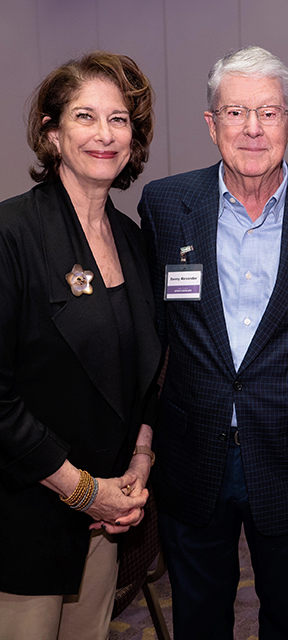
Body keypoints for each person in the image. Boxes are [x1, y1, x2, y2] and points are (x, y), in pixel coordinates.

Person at [138, 45, 288, 640]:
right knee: (198, 617)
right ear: (212, 126)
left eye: (269, 112)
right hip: (193, 450)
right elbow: (151, 332)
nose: (254, 129)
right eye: (235, 113)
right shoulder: (164, 205)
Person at [0, 51, 161, 639]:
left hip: (105, 522)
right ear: (51, 132)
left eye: (119, 119)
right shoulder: (11, 234)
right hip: (27, 519)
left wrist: (138, 464)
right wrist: (83, 490)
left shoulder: (133, 240)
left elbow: (146, 367)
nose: (104, 134)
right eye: (85, 116)